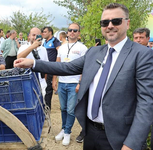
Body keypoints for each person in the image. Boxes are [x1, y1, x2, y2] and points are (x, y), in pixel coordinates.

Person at [14, 3, 153, 150]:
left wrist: (131, 144)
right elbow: (67, 67)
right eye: (105, 22)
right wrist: (33, 63)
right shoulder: (94, 52)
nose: (110, 25)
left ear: (127, 23)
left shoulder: (142, 55)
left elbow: (146, 103)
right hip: (91, 134)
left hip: (120, 138)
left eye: (116, 21)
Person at [52, 23, 88, 146]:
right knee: (63, 108)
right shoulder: (62, 47)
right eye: (70, 30)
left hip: (74, 83)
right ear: (67, 33)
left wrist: (80, 83)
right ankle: (63, 129)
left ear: (79, 33)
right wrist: (54, 80)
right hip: (62, 82)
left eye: (75, 30)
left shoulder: (83, 48)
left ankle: (67, 132)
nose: (72, 32)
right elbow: (58, 64)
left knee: (71, 110)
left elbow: (85, 67)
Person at [17, 27, 48, 97]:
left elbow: (46, 66)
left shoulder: (43, 49)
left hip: (41, 83)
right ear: (29, 36)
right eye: (33, 35)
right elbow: (18, 58)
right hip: (27, 83)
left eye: (37, 35)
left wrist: (44, 80)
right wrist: (32, 47)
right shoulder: (23, 47)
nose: (35, 37)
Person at [42, 26, 61, 109]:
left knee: (49, 88)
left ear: (50, 32)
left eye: (45, 32)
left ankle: (47, 108)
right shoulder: (44, 42)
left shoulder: (55, 41)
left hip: (50, 67)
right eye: (43, 32)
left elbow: (60, 52)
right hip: (43, 67)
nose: (43, 33)